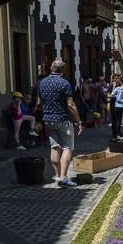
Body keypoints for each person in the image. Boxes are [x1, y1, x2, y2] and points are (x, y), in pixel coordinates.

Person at [38, 59, 83, 188]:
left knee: (54, 147)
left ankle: (58, 176)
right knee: (67, 147)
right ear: (63, 71)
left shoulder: (42, 83)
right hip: (62, 120)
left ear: (51, 68)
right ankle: (63, 177)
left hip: (48, 120)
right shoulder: (64, 83)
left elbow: (38, 103)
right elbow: (70, 105)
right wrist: (79, 121)